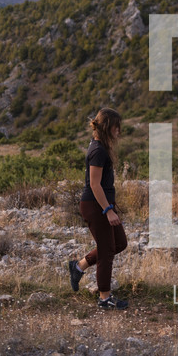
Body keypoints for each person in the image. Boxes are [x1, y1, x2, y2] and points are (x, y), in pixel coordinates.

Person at [67, 108, 129, 310]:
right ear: (107, 127)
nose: (119, 131)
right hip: (96, 206)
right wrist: (108, 210)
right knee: (106, 251)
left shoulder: (100, 146)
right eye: (116, 127)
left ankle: (78, 266)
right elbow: (95, 185)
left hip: (101, 204)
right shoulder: (98, 151)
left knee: (119, 243)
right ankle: (105, 298)